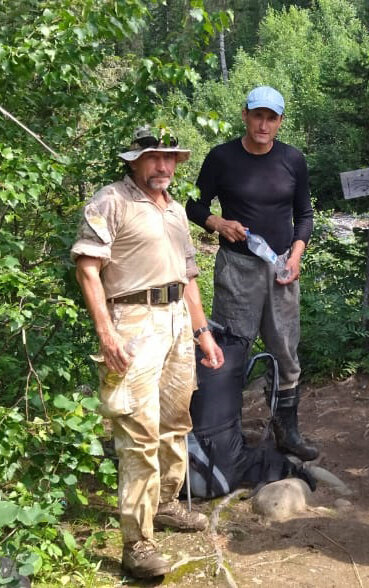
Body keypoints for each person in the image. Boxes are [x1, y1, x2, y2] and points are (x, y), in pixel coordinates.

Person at [72, 125, 225, 579]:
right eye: (154, 157)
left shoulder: (177, 210)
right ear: (134, 161)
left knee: (175, 421)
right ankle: (137, 543)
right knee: (137, 432)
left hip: (177, 320)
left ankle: (165, 505)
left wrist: (203, 333)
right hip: (132, 323)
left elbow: (188, 278)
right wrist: (106, 333)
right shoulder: (111, 201)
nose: (163, 166)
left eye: (170, 157)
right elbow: (87, 269)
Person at [186, 86, 318, 462]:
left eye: (271, 117)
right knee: (230, 349)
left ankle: (287, 431)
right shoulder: (222, 158)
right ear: (245, 115)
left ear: (280, 121)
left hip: (280, 269)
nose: (264, 124)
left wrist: (295, 256)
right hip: (237, 269)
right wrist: (217, 223)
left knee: (286, 348)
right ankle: (225, 434)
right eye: (258, 115)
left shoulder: (292, 159)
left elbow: (304, 215)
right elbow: (193, 204)